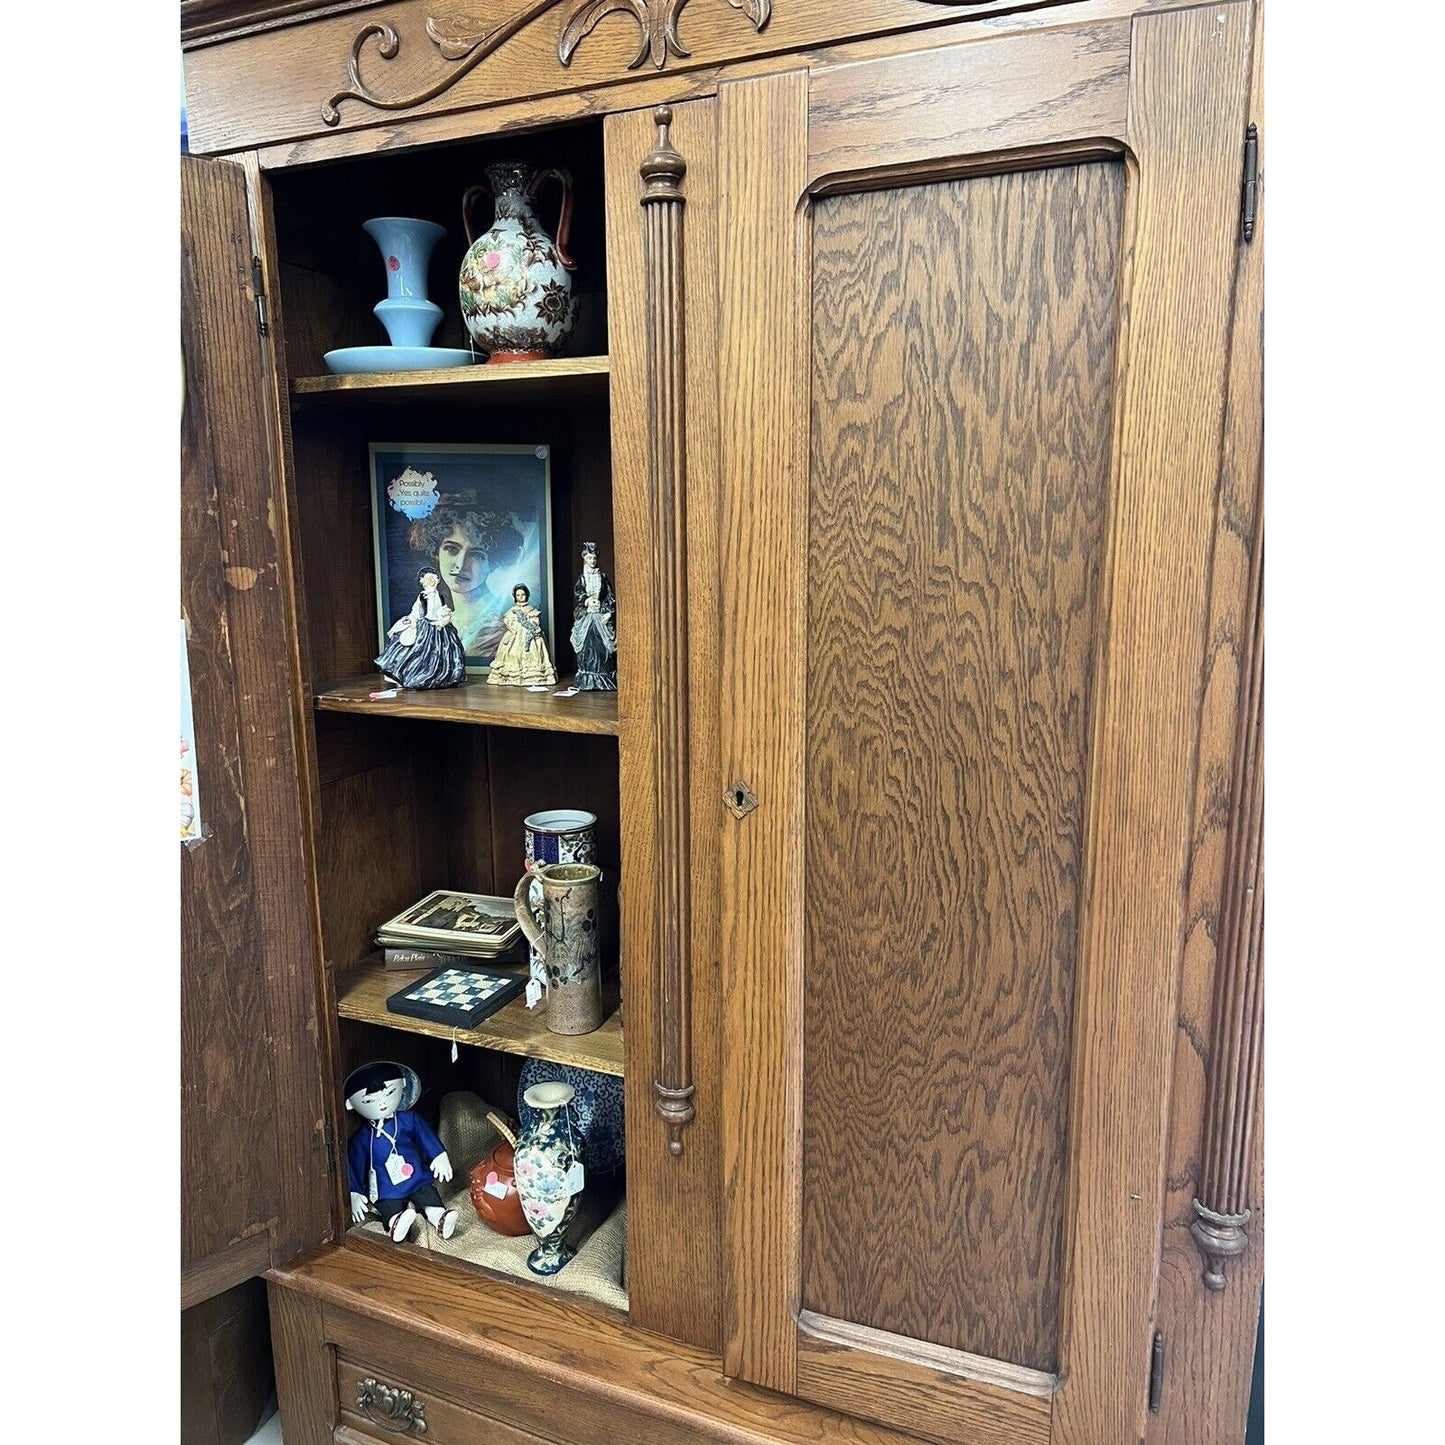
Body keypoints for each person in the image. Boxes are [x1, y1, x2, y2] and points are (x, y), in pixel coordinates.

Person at [344, 1061, 457, 1243]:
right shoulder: (363, 1138)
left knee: (427, 1194)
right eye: (368, 1101)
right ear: (350, 1104)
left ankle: (438, 1217)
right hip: (385, 1185)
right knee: (389, 1205)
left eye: (389, 1093)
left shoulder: (408, 1120)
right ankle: (397, 1223)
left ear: (403, 1085)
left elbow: (425, 1136)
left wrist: (438, 1155)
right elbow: (355, 1164)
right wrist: (355, 1192)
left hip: (415, 1176)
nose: (381, 1103)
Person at [406, 496, 525, 665]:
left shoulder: (497, 626)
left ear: (493, 562)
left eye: (476, 555)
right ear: (436, 552)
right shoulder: (446, 617)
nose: (461, 565)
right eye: (451, 549)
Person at [375, 566, 467, 689]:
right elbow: (416, 611)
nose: (431, 581)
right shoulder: (423, 596)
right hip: (426, 626)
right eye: (428, 579)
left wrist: (445, 616)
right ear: (423, 581)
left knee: (445, 651)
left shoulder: (440, 596)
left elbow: (442, 609)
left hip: (440, 626)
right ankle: (409, 675)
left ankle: (442, 677)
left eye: (433, 578)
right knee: (417, 650)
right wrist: (413, 621)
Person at [488, 583, 558, 687]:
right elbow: (508, 621)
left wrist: (533, 627)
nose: (520, 597)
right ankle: (511, 676)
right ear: (515, 597)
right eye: (518, 595)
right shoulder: (512, 611)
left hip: (529, 635)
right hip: (515, 635)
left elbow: (535, 621)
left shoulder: (531, 610)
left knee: (533, 651)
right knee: (512, 652)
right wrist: (513, 627)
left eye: (523, 595)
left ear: (527, 595)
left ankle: (533, 676)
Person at [570, 542, 616, 691]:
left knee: (603, 646)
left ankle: (604, 676)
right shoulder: (582, 578)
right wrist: (587, 601)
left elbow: (609, 595)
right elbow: (579, 594)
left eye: (594, 558)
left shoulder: (602, 576)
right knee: (586, 645)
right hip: (588, 615)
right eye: (589, 558)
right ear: (584, 559)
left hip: (600, 615)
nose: (592, 561)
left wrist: (608, 612)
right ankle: (587, 678)